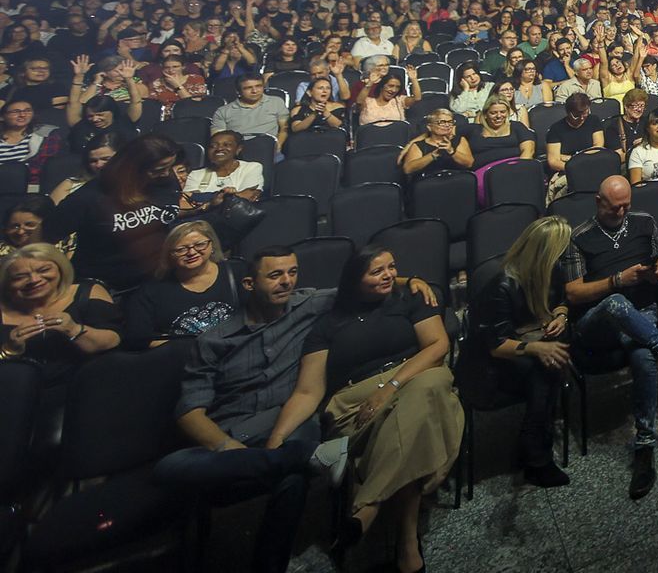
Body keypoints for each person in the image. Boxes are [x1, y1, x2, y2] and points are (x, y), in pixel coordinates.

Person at [158, 247, 435, 573]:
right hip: (231, 430)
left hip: (291, 418)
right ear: (249, 284)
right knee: (169, 467)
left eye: (292, 273)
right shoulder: (214, 340)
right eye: (275, 275)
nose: (286, 282)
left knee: (291, 479)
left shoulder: (307, 304)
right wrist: (229, 449)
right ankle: (314, 457)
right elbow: (190, 411)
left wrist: (410, 279)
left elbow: (363, 281)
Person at [265, 245, 462, 573]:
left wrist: (391, 387)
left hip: (411, 378)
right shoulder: (327, 325)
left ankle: (367, 506)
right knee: (423, 413)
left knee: (428, 386)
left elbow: (438, 346)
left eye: (391, 268)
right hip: (356, 401)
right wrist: (275, 442)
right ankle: (407, 547)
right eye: (377, 271)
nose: (387, 276)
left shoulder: (410, 299)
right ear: (355, 279)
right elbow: (308, 390)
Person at [562, 177, 658, 501]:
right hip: (597, 319)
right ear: (599, 202)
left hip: (644, 313)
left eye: (626, 204)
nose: (622, 211)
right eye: (616, 206)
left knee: (644, 357)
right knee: (618, 303)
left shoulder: (643, 222)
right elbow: (573, 293)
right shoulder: (578, 237)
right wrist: (618, 280)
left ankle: (644, 445)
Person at [462, 215, 572, 488]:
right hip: (491, 363)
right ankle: (536, 457)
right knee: (544, 371)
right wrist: (536, 347)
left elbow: (560, 301)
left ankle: (534, 439)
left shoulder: (551, 269)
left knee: (550, 363)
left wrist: (561, 316)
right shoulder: (502, 284)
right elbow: (496, 345)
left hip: (525, 343)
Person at [46, 132, 182, 294]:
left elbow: (163, 216)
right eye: (159, 169)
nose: (167, 173)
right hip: (108, 287)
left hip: (156, 281)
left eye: (169, 166)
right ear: (132, 166)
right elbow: (43, 238)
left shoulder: (163, 181)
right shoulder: (90, 197)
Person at [0, 242, 121, 381]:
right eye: (20, 277)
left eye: (44, 270)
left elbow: (113, 341)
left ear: (60, 269)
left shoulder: (86, 292)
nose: (34, 280)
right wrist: (9, 350)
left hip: (91, 385)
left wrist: (74, 330)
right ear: (7, 282)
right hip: (20, 395)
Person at [122, 220, 241, 347]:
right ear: (170, 254)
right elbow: (138, 340)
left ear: (212, 245)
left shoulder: (238, 272)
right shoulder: (150, 292)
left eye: (200, 244)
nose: (191, 252)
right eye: (181, 249)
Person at [211, 74, 289, 152]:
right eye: (248, 88)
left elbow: (284, 128)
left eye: (258, 86)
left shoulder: (276, 102)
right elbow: (218, 138)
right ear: (238, 91)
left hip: (268, 149)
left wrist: (278, 145)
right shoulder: (223, 111)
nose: (254, 91)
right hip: (238, 151)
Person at [399, 108, 475, 178]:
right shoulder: (419, 145)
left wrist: (452, 151)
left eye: (450, 122)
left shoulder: (460, 140)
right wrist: (433, 155)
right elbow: (408, 169)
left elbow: (469, 163)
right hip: (428, 184)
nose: (447, 125)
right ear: (429, 127)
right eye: (441, 122)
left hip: (456, 181)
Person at [2, 194, 68, 257]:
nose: (20, 232)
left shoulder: (67, 244)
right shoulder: (3, 252)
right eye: (15, 226)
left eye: (29, 225)